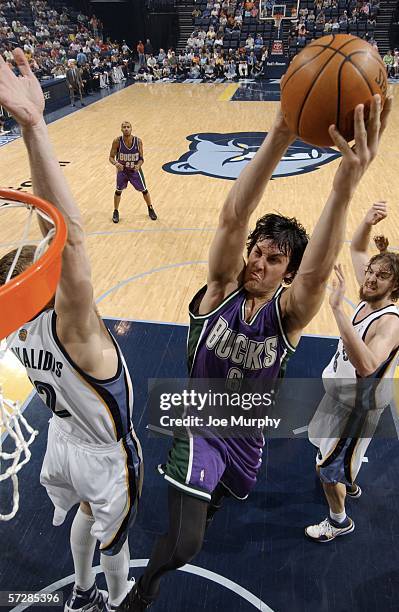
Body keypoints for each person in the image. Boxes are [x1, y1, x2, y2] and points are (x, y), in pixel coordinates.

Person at [117, 93, 391, 610]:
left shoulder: (288, 315)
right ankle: (143, 592)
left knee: (214, 506)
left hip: (247, 433)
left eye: (273, 259)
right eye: (257, 252)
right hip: (198, 419)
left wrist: (345, 182)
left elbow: (318, 266)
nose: (258, 263)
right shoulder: (220, 290)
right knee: (187, 542)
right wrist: (281, 134)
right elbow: (232, 215)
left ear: (288, 272)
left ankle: (204, 502)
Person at [0, 49, 143, 612]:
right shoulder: (76, 329)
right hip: (104, 451)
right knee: (113, 533)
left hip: (60, 443)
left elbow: (48, 243)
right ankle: (115, 597)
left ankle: (80, 595)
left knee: (82, 516)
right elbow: (68, 236)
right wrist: (34, 126)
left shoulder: (12, 329)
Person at [306, 202, 399, 542]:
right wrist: (367, 220)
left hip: (355, 409)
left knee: (325, 469)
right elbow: (358, 247)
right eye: (371, 272)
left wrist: (338, 313)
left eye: (382, 275)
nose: (370, 278)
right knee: (332, 453)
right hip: (341, 396)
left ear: (395, 287)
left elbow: (368, 365)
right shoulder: (370, 293)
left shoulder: (389, 322)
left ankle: (338, 519)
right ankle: (350, 477)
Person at [109, 121, 157, 223]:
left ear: (131, 128)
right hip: (122, 171)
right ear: (121, 129)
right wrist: (116, 164)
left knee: (144, 190)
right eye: (124, 127)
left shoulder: (138, 141)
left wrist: (138, 165)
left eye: (128, 127)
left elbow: (141, 158)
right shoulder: (117, 141)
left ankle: (150, 208)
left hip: (135, 171)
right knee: (118, 191)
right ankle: (116, 211)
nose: (126, 129)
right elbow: (111, 157)